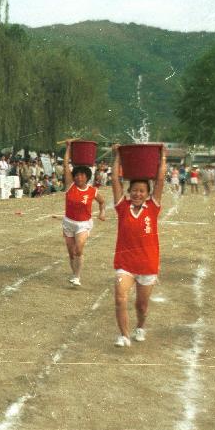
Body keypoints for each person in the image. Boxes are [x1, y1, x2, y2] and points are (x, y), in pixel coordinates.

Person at [110, 143, 166, 348]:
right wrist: (117, 156)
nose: (137, 194)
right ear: (129, 191)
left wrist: (163, 156)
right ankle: (124, 335)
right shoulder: (122, 207)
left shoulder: (153, 207)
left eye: (142, 191)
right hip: (125, 264)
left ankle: (140, 327)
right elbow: (115, 179)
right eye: (134, 190)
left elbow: (160, 179)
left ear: (147, 193)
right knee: (120, 298)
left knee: (141, 306)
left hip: (147, 265)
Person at [62, 140, 107, 287]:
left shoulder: (92, 191)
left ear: (87, 177)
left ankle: (77, 276)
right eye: (77, 175)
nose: (79, 177)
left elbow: (102, 202)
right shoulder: (70, 186)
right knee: (71, 252)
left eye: (82, 175)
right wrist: (68, 147)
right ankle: (74, 274)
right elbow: (65, 165)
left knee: (79, 248)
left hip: (83, 224)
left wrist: (102, 213)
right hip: (68, 222)